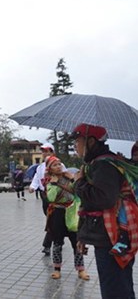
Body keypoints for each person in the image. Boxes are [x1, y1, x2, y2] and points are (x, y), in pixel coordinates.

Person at [72, 123, 138, 299]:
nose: (75, 147)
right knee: (117, 286)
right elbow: (91, 205)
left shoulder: (105, 165)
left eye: (77, 142)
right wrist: (83, 236)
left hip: (113, 237)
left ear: (90, 141)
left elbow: (103, 199)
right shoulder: (98, 163)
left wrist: (79, 182)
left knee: (115, 290)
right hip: (109, 236)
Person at [45, 156, 89, 280]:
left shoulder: (69, 177)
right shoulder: (49, 181)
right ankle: (57, 269)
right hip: (57, 214)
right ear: (50, 169)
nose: (58, 166)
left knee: (76, 241)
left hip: (72, 212)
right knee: (57, 242)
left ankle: (81, 269)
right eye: (55, 165)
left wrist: (74, 179)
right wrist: (53, 184)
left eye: (59, 163)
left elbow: (78, 191)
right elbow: (51, 198)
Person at [29, 143, 57, 256]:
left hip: (56, 198)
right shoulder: (40, 167)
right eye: (43, 152)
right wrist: (32, 187)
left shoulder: (58, 165)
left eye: (47, 151)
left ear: (52, 153)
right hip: (45, 196)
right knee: (51, 220)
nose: (45, 154)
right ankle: (57, 238)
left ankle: (47, 245)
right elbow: (36, 179)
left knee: (52, 220)